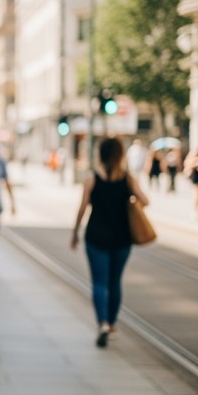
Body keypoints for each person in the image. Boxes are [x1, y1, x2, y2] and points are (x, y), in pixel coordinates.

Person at [71, 137, 148, 348]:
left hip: (96, 237)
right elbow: (146, 200)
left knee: (99, 283)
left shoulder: (92, 178)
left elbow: (82, 207)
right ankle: (112, 324)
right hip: (122, 238)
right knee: (115, 282)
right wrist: (131, 200)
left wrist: (75, 232)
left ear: (101, 154)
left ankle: (102, 323)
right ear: (120, 155)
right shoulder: (127, 178)